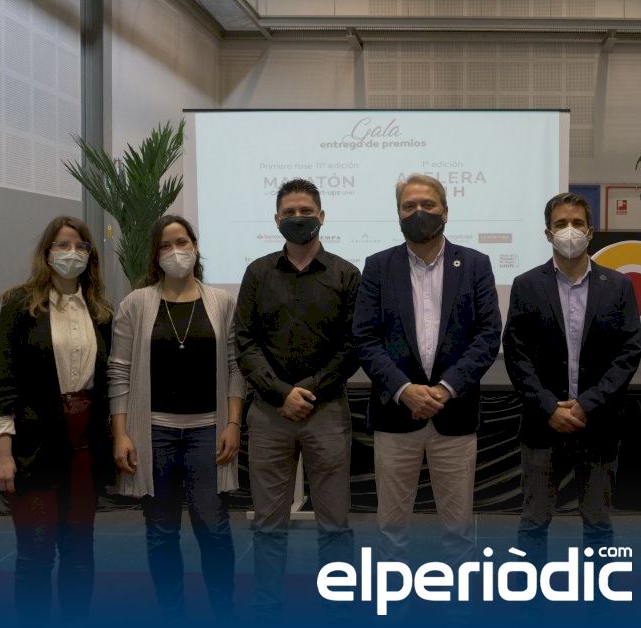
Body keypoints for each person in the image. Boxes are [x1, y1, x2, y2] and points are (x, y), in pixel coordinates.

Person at [352, 173, 502, 566]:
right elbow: (365, 338)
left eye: (428, 204)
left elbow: (488, 335)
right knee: (391, 531)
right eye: (409, 206)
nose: (419, 212)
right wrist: (405, 390)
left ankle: (458, 598)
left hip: (455, 414)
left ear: (445, 212)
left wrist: (447, 388)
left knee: (458, 531)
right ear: (398, 215)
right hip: (395, 416)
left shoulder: (475, 264)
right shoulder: (378, 266)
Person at [234, 179, 360, 620]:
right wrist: (281, 393)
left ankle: (337, 607)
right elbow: (244, 341)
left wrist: (308, 391)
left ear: (322, 216)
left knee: (335, 525)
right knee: (268, 525)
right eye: (289, 212)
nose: (298, 218)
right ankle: (268, 609)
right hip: (269, 413)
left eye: (306, 211)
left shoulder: (346, 274)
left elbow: (353, 346)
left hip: (327, 411)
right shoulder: (257, 273)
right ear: (276, 220)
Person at [108, 215, 245, 621]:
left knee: (214, 528)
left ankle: (223, 612)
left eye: (182, 242)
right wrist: (121, 433)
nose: (175, 252)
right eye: (165, 246)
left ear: (196, 246)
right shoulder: (136, 303)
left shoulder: (221, 301)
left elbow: (235, 367)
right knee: (161, 531)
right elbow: (119, 371)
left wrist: (233, 423)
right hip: (153, 432)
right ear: (155, 255)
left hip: (209, 430)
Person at [0, 215, 115, 622]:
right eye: (62, 245)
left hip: (83, 446)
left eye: (80, 245)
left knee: (79, 551)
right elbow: (3, 382)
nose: (71, 253)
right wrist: (2, 452)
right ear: (47, 252)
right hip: (33, 447)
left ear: (90, 255)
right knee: (36, 552)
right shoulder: (20, 305)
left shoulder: (101, 311)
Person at [502, 192, 641, 563]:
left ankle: (598, 592)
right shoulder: (526, 285)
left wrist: (587, 404)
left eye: (577, 223)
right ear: (548, 233)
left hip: (598, 423)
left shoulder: (618, 286)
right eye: (561, 223)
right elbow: (516, 354)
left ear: (591, 231)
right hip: (541, 423)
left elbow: (629, 353)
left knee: (598, 523)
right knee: (533, 522)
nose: (569, 230)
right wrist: (549, 407)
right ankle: (530, 594)